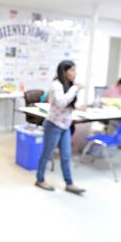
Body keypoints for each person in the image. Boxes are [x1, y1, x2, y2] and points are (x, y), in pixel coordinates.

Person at [34, 60, 86, 194]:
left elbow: (68, 104)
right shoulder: (56, 85)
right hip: (53, 125)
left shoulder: (68, 85)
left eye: (75, 70)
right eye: (72, 70)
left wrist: (77, 107)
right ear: (64, 71)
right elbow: (61, 102)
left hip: (65, 125)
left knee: (66, 156)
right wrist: (75, 89)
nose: (75, 73)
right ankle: (40, 179)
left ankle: (69, 184)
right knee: (47, 154)